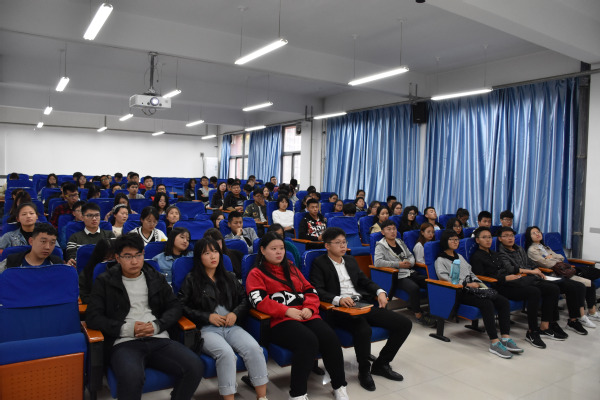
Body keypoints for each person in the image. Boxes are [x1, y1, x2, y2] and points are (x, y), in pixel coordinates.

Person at [86, 233, 204, 400]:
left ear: (144, 254)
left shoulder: (155, 277)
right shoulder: (105, 281)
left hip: (158, 337)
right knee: (132, 377)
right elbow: (93, 317)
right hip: (124, 342)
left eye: (138, 255)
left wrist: (158, 325)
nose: (134, 261)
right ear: (118, 258)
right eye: (128, 256)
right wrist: (127, 328)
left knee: (195, 366)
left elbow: (175, 306)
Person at [246, 233, 350, 400]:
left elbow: (310, 290)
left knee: (330, 337)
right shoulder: (256, 273)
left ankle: (339, 385)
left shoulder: (292, 268)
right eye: (273, 249)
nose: (279, 252)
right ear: (263, 250)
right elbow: (258, 301)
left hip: (305, 314)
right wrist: (285, 311)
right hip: (279, 320)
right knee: (308, 341)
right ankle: (298, 394)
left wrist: (310, 307)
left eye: (281, 248)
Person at [311, 227, 412, 392]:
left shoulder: (350, 260)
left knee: (404, 324)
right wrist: (338, 299)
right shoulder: (320, 263)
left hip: (361, 304)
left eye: (344, 242)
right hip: (340, 309)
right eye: (338, 243)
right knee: (364, 330)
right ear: (327, 246)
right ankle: (364, 371)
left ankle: (381, 364)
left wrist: (380, 291)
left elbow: (365, 281)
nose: (343, 246)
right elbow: (317, 290)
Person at [178, 238, 269, 400]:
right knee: (226, 354)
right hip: (206, 329)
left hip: (231, 326)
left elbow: (245, 299)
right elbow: (181, 306)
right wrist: (207, 316)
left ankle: (262, 397)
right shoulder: (192, 279)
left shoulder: (229, 277)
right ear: (199, 257)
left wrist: (235, 313)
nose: (213, 256)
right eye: (207, 253)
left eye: (215, 252)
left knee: (254, 349)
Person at [470, 227, 565, 349]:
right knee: (534, 292)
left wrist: (512, 276)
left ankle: (547, 325)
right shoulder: (477, 257)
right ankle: (532, 331)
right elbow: (481, 277)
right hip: (498, 286)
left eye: (489, 237)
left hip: (511, 282)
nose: (488, 240)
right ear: (477, 240)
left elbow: (505, 269)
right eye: (484, 237)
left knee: (550, 288)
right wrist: (505, 278)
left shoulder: (494, 254)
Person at [435, 230, 522, 358]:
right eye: (452, 239)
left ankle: (505, 338)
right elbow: (444, 278)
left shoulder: (460, 257)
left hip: (474, 288)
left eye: (457, 239)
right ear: (445, 241)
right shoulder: (440, 260)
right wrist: (466, 284)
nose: (455, 242)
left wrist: (480, 284)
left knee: (502, 301)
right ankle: (494, 342)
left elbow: (471, 273)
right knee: (487, 304)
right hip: (459, 291)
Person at [497, 226, 588, 337]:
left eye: (511, 235)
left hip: (533, 277)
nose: (510, 238)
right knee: (553, 288)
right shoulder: (501, 253)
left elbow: (530, 263)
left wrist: (536, 269)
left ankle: (566, 321)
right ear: (500, 238)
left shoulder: (519, 249)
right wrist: (533, 271)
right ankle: (547, 325)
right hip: (523, 280)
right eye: (506, 236)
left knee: (571, 286)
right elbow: (511, 269)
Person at [525, 226, 598, 332]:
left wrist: (551, 258)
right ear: (529, 237)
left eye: (538, 232)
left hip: (563, 272)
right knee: (580, 286)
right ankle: (579, 317)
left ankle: (584, 315)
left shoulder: (545, 247)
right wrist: (552, 259)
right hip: (553, 274)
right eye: (533, 233)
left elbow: (561, 257)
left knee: (587, 284)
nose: (537, 234)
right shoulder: (532, 250)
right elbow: (547, 264)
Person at [373, 220, 434, 326]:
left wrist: (410, 263)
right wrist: (398, 264)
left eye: (394, 229)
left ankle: (433, 311)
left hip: (409, 271)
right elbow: (377, 262)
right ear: (383, 232)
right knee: (414, 288)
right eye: (389, 229)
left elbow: (410, 256)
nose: (392, 231)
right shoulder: (380, 246)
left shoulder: (400, 242)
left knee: (430, 283)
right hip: (397, 276)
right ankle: (418, 315)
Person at [79, 239, 116, 304]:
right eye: (106, 258)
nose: (108, 262)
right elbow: (84, 297)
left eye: (113, 258)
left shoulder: (122, 270)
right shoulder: (86, 273)